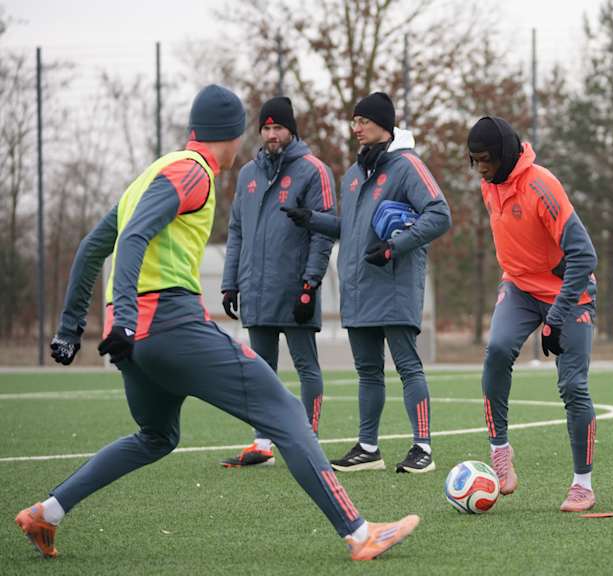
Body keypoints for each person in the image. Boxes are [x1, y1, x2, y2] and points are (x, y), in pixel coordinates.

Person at [19, 85, 418, 561]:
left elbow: (90, 249)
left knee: (157, 436)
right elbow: (135, 239)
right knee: (286, 411)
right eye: (244, 134)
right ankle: (359, 534)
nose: (245, 144)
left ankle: (48, 512)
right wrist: (124, 318)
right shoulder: (195, 173)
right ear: (228, 137)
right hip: (166, 325)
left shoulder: (151, 173)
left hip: (135, 340)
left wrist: (71, 329)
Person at [283, 92, 451, 474]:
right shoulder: (354, 175)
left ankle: (422, 447)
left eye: (363, 121)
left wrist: (395, 247)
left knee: (408, 366)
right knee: (368, 371)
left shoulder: (408, 165)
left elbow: (439, 214)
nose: (356, 128)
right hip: (358, 286)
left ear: (385, 126)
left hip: (393, 283)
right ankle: (368, 447)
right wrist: (312, 218)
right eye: (354, 121)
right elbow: (352, 228)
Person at [466, 116, 599, 512]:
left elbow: (584, 255)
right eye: (474, 161)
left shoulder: (542, 185)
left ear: (505, 154)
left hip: (568, 294)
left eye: (486, 159)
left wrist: (556, 317)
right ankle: (500, 449)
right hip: (520, 287)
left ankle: (582, 484)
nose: (481, 168)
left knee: (572, 386)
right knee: (498, 349)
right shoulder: (489, 186)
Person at [219, 96, 335, 468]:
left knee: (306, 367)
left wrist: (310, 284)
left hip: (294, 289)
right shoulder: (248, 174)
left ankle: (309, 439)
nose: (271, 134)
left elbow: (323, 232)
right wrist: (230, 282)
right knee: (260, 370)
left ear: (291, 130)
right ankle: (263, 443)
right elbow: (236, 230)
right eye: (266, 128)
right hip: (256, 290)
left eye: (278, 127)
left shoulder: (313, 170)